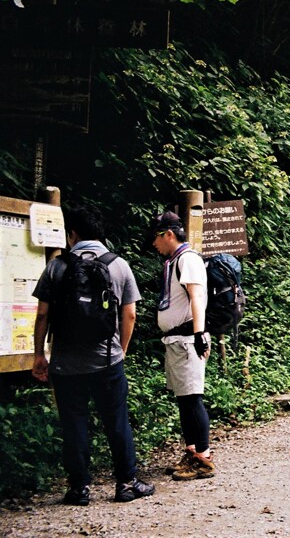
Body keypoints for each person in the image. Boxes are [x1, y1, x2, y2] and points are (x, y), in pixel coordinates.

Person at [31, 202, 155, 505]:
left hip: (65, 363)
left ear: (72, 234)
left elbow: (43, 315)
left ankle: (79, 488)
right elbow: (130, 315)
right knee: (116, 421)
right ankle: (126, 483)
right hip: (107, 360)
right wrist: (121, 350)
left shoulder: (57, 267)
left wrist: (39, 354)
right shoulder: (118, 265)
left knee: (74, 423)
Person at [151, 211, 215, 480]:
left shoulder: (188, 259)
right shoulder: (176, 260)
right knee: (184, 400)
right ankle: (192, 452)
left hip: (188, 339)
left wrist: (199, 333)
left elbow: (196, 296)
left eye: (156, 237)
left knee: (192, 399)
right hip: (178, 340)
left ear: (168, 234)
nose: (153, 244)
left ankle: (204, 458)